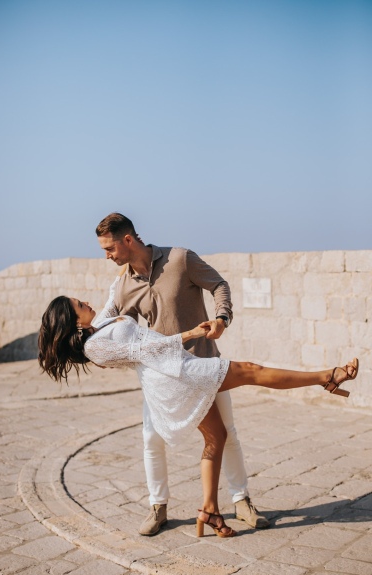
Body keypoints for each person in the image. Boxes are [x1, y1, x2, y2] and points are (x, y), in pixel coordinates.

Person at [38, 295, 359, 539]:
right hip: (177, 376)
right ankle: (326, 376)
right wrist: (189, 334)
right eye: (80, 304)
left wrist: (120, 257)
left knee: (216, 436)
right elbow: (145, 351)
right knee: (250, 371)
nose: (86, 301)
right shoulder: (95, 348)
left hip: (175, 370)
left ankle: (209, 509)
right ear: (74, 321)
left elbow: (112, 295)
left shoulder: (102, 325)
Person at [94, 213, 269, 536]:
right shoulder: (122, 287)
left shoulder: (180, 259)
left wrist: (221, 318)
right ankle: (158, 507)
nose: (107, 256)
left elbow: (219, 285)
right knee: (152, 439)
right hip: (164, 378)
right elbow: (108, 330)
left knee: (226, 431)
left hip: (205, 363)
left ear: (128, 240)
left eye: (109, 248)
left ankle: (241, 500)